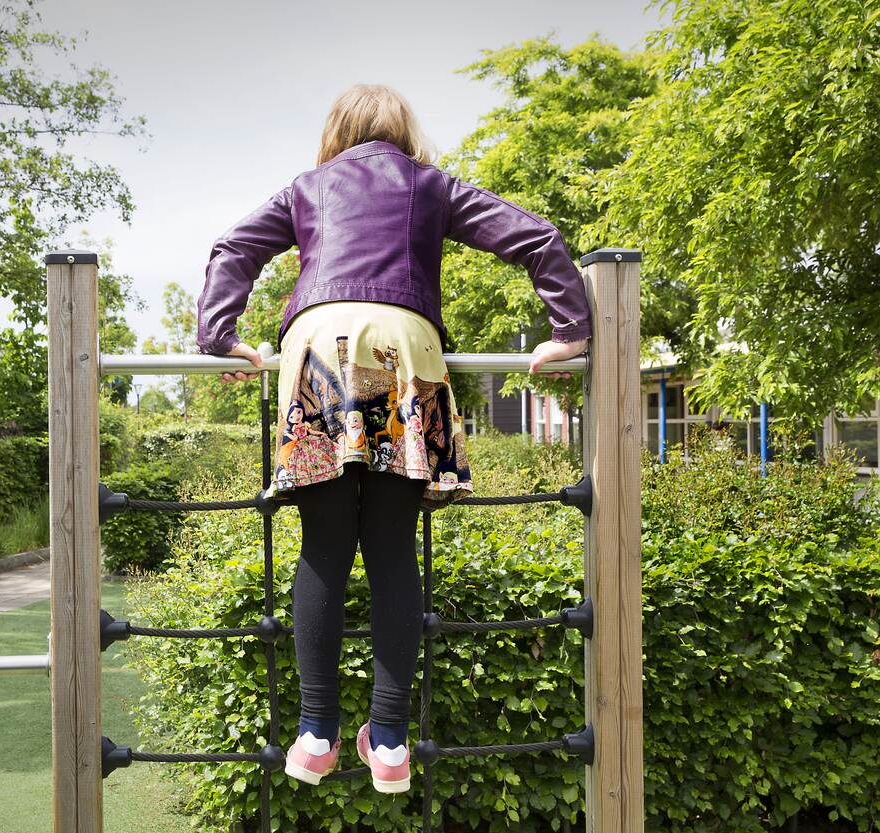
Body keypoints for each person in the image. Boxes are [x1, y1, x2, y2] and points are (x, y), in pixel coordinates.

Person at [196, 84, 591, 793]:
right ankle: (391, 741)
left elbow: (233, 248)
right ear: (405, 132)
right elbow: (534, 236)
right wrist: (571, 328)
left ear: (336, 133)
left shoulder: (306, 188)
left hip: (318, 345)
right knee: (392, 551)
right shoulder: (430, 185)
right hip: (403, 349)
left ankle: (316, 732)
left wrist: (219, 335)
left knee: (323, 546)